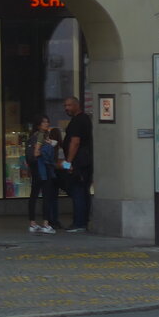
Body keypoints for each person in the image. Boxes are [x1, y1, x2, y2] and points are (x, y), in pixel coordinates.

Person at [62, 95, 93, 232]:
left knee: (78, 191)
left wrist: (68, 163)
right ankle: (83, 221)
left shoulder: (77, 121)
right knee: (83, 190)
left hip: (78, 162)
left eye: (69, 105)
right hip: (85, 161)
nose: (66, 108)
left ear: (77, 105)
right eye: (65, 106)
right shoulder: (85, 119)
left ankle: (79, 222)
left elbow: (75, 142)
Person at [25, 115, 50, 233]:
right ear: (39, 125)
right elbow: (36, 153)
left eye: (47, 122)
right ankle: (45, 223)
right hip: (42, 169)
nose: (47, 124)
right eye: (44, 122)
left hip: (35, 169)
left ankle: (32, 223)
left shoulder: (34, 136)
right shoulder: (40, 136)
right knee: (46, 195)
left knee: (34, 195)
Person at [37, 127, 63, 234]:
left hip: (48, 174)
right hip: (57, 175)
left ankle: (50, 219)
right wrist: (70, 166)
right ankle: (54, 219)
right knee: (54, 199)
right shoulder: (60, 149)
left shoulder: (46, 147)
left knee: (49, 198)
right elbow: (62, 163)